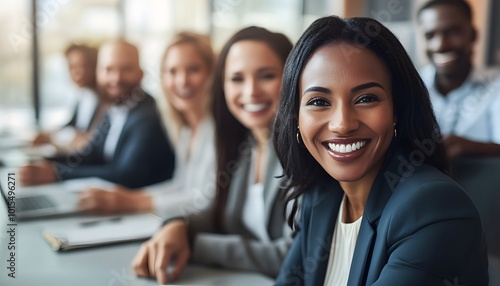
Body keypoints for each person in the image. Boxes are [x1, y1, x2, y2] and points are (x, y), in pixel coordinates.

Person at [273, 16, 488, 285]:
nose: (342, 124)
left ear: (396, 109)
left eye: (366, 99)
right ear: (295, 118)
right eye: (319, 101)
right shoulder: (322, 195)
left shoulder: (433, 207)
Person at [131, 26, 294, 284]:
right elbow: (215, 212)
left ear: (292, 78)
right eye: (237, 79)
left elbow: (291, 257)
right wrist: (179, 225)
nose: (251, 91)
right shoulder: (247, 145)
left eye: (267, 75)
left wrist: (194, 244)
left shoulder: (304, 154)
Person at [77, 32, 217, 215]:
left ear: (212, 74)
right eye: (172, 71)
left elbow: (207, 200)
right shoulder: (186, 129)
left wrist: (135, 203)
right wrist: (132, 197)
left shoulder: (218, 128)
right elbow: (181, 186)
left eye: (193, 70)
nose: (182, 81)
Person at [19, 40, 175, 189]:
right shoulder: (114, 108)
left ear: (141, 74)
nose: (116, 78)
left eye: (126, 69)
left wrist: (58, 174)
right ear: (98, 73)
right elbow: (90, 154)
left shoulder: (148, 116)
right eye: (108, 70)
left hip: (138, 210)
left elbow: (127, 175)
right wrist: (45, 162)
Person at [417, 0, 500, 159]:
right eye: (430, 35)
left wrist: (470, 147)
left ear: (474, 35)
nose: (440, 45)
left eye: (452, 32)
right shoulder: (410, 85)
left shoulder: (495, 89)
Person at [33, 43, 106, 151]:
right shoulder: (83, 96)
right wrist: (50, 135)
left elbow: (89, 138)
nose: (76, 73)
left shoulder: (105, 100)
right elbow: (72, 125)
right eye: (71, 67)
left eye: (83, 66)